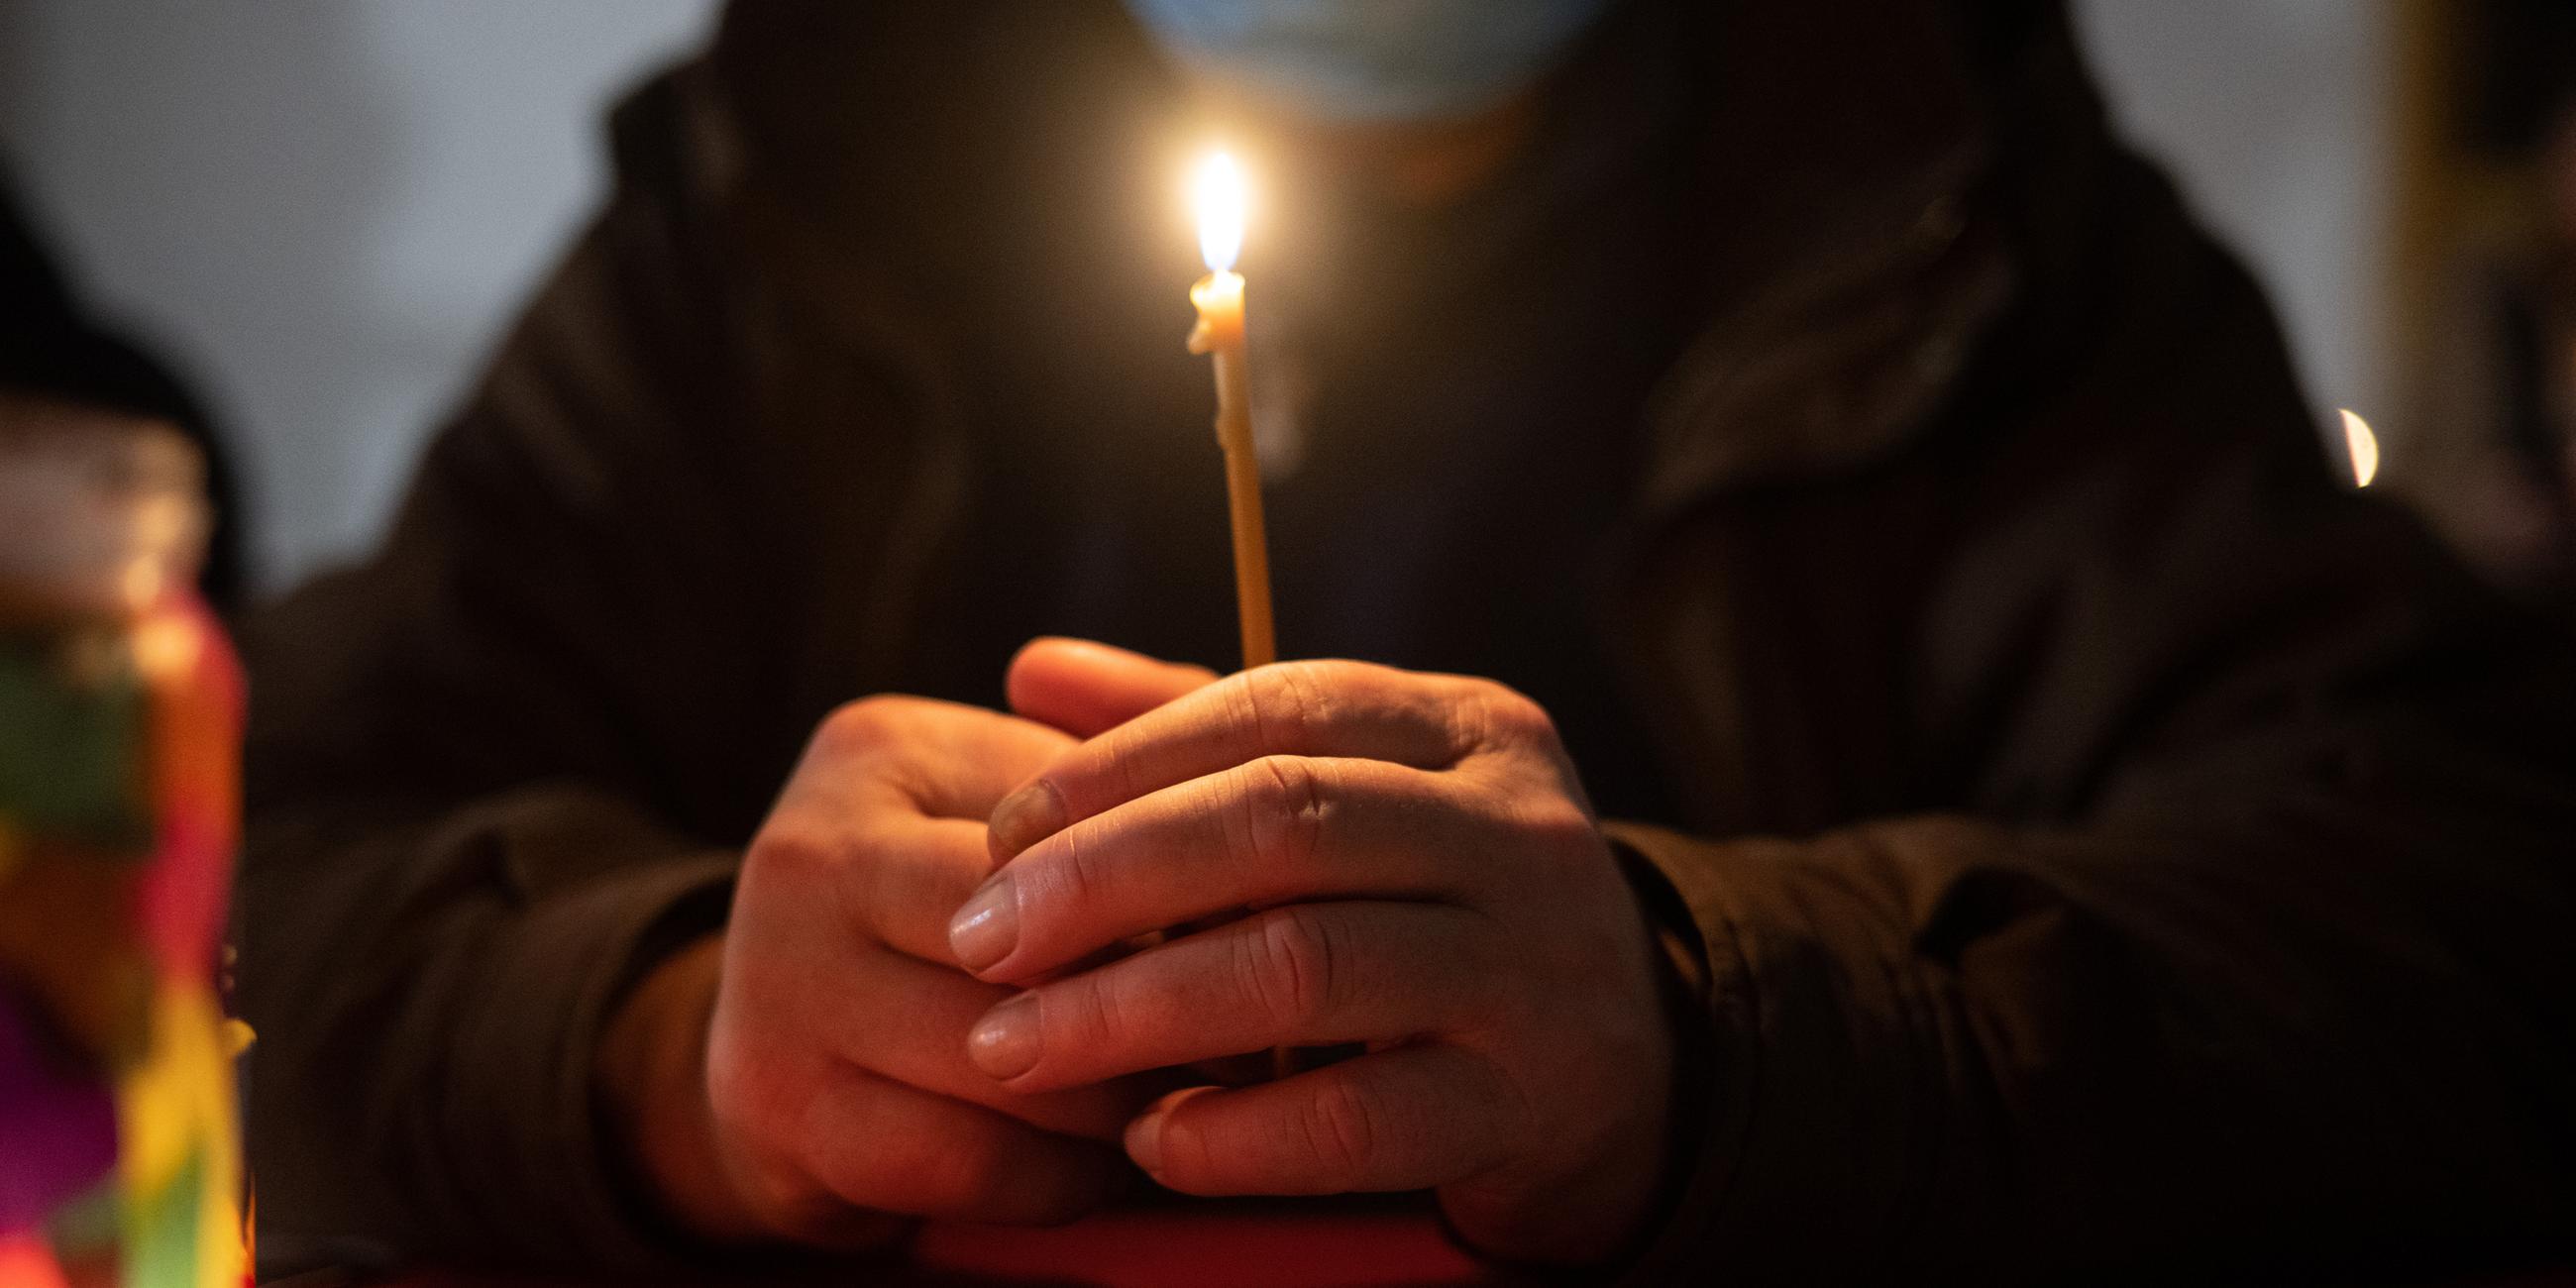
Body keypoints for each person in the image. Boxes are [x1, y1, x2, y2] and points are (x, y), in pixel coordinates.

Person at [238, 0, 2576, 1281]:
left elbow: (2458, 913)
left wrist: (1702, 1013)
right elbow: (257, 872)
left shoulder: (1957, 188)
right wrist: (667, 1040)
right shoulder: (780, 177)